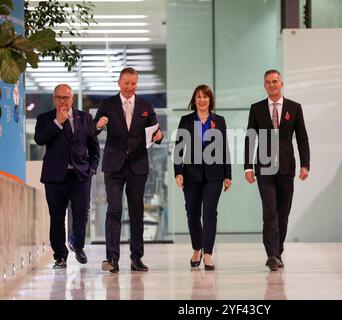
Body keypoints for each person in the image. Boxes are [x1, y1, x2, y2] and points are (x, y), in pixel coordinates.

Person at [94, 67, 163, 273]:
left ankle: (136, 258)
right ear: (119, 83)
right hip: (114, 167)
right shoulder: (107, 104)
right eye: (126, 83)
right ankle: (112, 259)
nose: (130, 87)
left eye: (133, 83)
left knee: (136, 212)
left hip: (137, 166)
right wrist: (99, 124)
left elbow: (155, 130)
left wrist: (158, 135)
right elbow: (93, 129)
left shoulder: (145, 105)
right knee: (114, 209)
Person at [244, 69, 310, 271]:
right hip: (264, 167)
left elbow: (302, 138)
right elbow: (250, 138)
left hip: (286, 168)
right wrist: (248, 167)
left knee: (283, 212)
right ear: (264, 85)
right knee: (269, 211)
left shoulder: (294, 107)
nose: (271, 85)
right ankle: (271, 254)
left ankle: (278, 250)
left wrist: (305, 165)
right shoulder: (256, 109)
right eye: (268, 82)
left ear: (281, 84)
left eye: (275, 81)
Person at [34, 84, 100, 269]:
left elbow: (94, 148)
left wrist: (92, 169)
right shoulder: (45, 118)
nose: (63, 101)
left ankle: (78, 245)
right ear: (54, 99)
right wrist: (57, 122)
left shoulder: (85, 118)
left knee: (81, 214)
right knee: (56, 217)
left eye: (66, 97)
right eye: (59, 97)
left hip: (80, 175)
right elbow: (40, 139)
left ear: (72, 99)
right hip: (55, 177)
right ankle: (60, 256)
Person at [174, 84, 232, 271]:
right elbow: (178, 149)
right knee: (192, 214)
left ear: (210, 100)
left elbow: (224, 149)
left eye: (205, 96)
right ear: (194, 100)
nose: (202, 100)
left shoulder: (219, 121)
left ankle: (208, 254)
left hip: (214, 175)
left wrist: (227, 175)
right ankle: (196, 249)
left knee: (210, 213)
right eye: (198, 97)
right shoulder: (186, 120)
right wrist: (178, 172)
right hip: (191, 174)